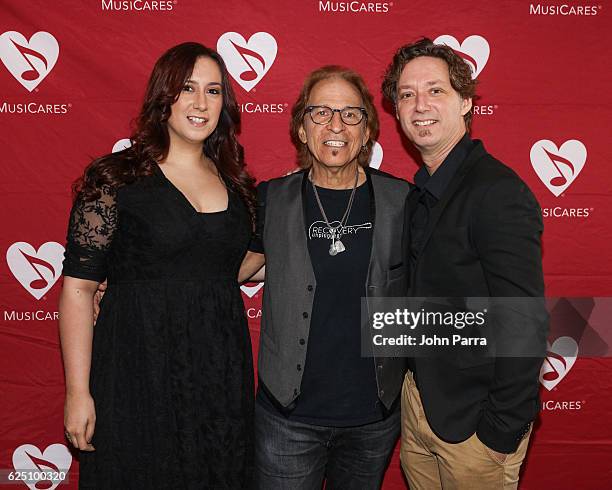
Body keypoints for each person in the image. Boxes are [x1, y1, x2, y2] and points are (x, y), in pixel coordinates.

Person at [59, 42, 256, 489]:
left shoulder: (237, 182)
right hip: (135, 369)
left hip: (218, 376)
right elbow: (78, 289)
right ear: (163, 96)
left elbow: (242, 262)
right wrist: (78, 392)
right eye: (187, 88)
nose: (200, 103)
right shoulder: (115, 179)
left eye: (213, 90)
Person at [381, 38, 547, 489]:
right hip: (419, 407)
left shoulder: (497, 192)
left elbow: (524, 321)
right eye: (407, 94)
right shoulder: (418, 194)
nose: (420, 105)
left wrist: (498, 432)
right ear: (396, 110)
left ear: (466, 102)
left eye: (436, 90)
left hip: (475, 428)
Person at [239, 66, 411, 490]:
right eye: (320, 113)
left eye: (350, 114)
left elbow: (444, 282)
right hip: (288, 419)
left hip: (372, 419)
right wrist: (126, 285)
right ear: (301, 128)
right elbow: (215, 269)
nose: (335, 125)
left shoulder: (403, 201)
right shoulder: (269, 200)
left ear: (367, 129)